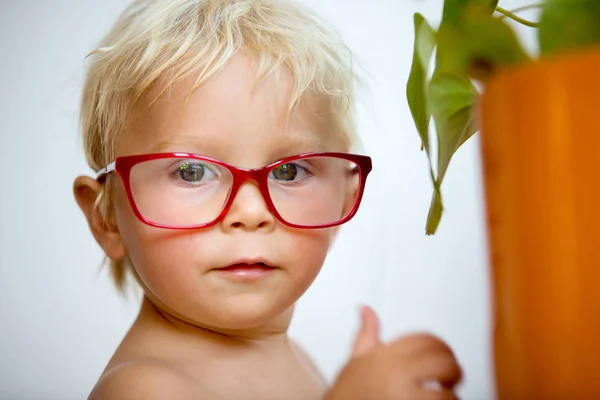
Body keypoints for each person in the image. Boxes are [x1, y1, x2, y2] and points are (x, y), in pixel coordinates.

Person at [73, 0, 462, 398]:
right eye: (192, 172)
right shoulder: (144, 389)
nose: (251, 212)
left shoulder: (297, 361)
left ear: (344, 200)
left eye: (289, 171)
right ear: (107, 218)